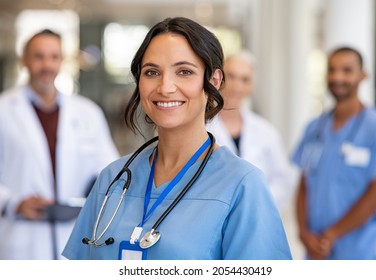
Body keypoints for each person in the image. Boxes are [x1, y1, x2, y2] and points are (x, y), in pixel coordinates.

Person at [62, 17, 292, 260]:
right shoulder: (113, 179)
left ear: (213, 81)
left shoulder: (243, 185)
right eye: (152, 72)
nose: (165, 87)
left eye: (184, 72)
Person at [0, 29, 119, 259]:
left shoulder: (87, 113)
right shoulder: (3, 110)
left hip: (74, 233)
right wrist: (11, 203)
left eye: (53, 57)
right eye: (39, 56)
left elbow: (109, 169)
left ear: (61, 61)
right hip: (20, 239)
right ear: (24, 60)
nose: (47, 65)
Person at [292, 46, 376, 260]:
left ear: (363, 76)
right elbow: (303, 185)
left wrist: (331, 235)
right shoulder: (314, 128)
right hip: (316, 251)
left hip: (360, 253)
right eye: (332, 69)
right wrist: (303, 234)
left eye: (347, 70)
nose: (338, 77)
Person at [207, 50, 293, 212]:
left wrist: (259, 205)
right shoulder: (201, 128)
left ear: (251, 86)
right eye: (231, 76)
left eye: (245, 79)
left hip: (258, 215)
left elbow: (282, 180)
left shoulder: (266, 132)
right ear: (218, 79)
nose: (237, 86)